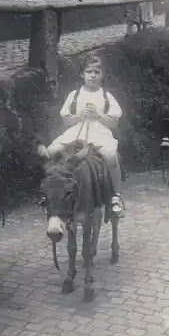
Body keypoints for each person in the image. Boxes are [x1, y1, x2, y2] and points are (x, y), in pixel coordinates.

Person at [45, 52, 125, 217]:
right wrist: (80, 116)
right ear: (82, 74)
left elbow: (114, 122)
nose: (93, 76)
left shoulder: (106, 96)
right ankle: (52, 194)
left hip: (99, 132)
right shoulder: (74, 95)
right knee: (51, 152)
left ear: (102, 75)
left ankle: (115, 196)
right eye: (89, 72)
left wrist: (98, 116)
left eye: (97, 72)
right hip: (76, 132)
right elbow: (66, 120)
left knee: (110, 156)